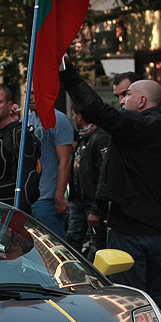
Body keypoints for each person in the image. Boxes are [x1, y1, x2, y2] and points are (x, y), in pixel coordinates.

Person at [59, 60, 161, 322]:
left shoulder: (136, 127)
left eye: (127, 95)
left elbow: (96, 110)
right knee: (158, 306)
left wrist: (69, 77)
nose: (122, 101)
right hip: (160, 234)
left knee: (129, 306)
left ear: (141, 101)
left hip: (129, 233)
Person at [0, 84, 38, 208]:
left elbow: (28, 177)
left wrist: (19, 211)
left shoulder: (19, 134)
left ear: (9, 105)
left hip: (9, 207)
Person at [65, 106, 110, 253]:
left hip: (92, 202)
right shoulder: (82, 138)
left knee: (96, 244)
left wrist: (96, 210)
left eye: (74, 115)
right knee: (72, 241)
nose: (73, 119)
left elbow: (103, 176)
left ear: (80, 116)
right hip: (78, 201)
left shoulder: (100, 137)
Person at [26, 106, 73, 237]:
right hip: (28, 198)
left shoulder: (59, 120)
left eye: (35, 92)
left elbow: (65, 161)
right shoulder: (26, 120)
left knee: (53, 248)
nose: (30, 96)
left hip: (47, 199)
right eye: (29, 93)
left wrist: (59, 196)